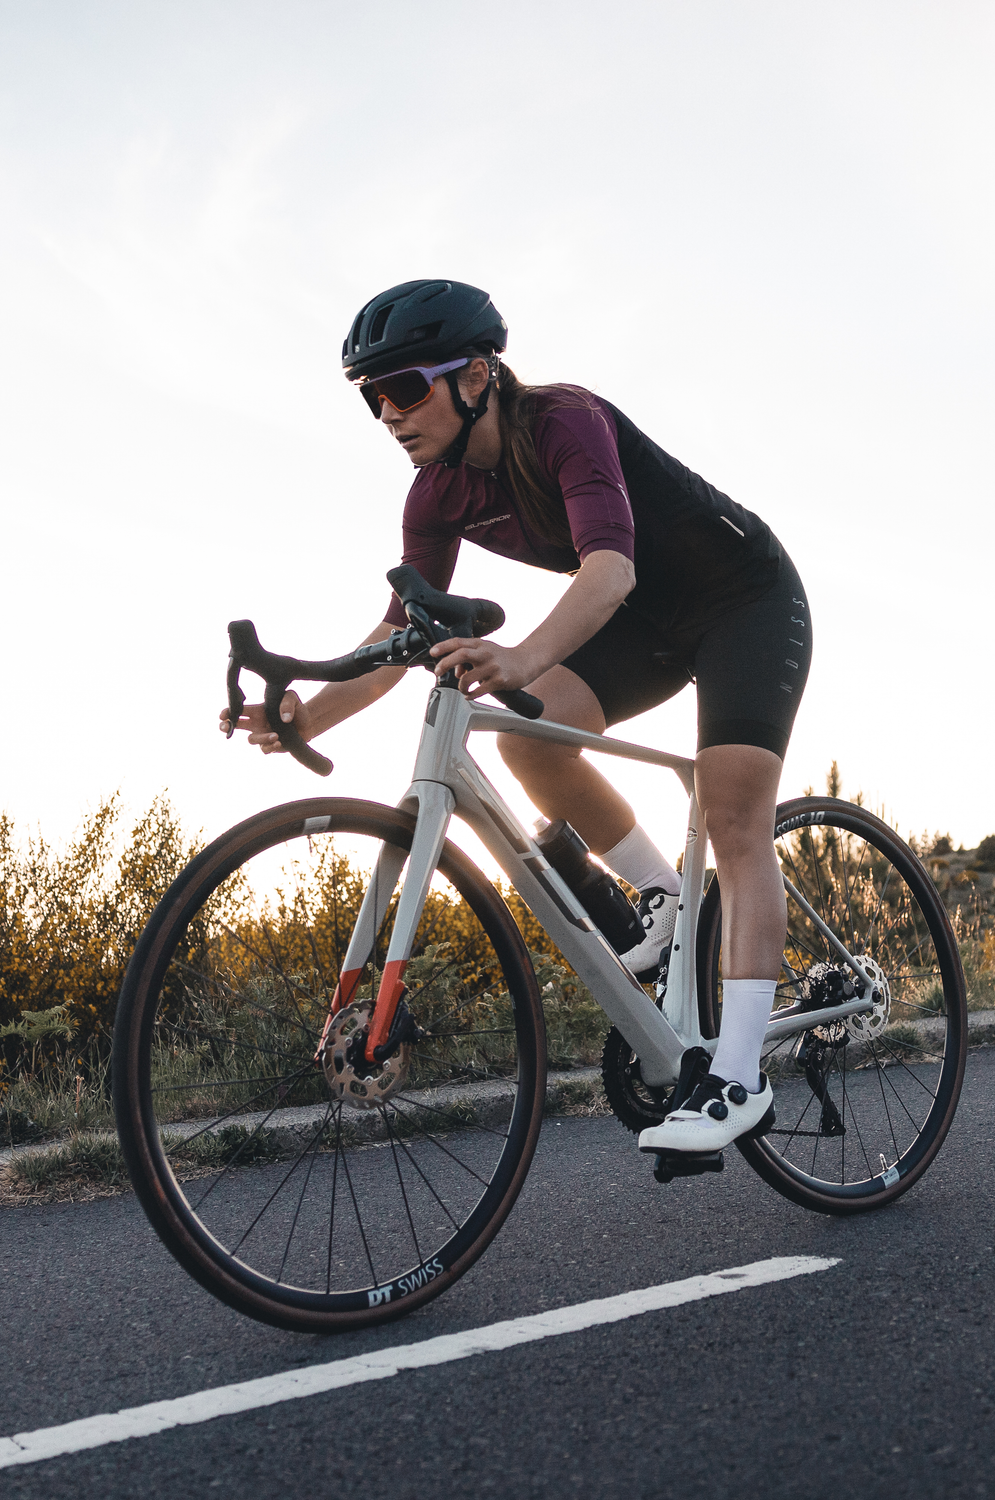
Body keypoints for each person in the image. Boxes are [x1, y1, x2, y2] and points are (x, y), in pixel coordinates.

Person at [227, 279, 812, 1162]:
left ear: (476, 375)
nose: (388, 413)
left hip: (742, 600)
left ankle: (739, 1073)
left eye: (405, 388)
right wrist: (310, 713)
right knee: (530, 739)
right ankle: (661, 893)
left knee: (734, 816)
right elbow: (397, 634)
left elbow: (607, 571)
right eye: (371, 398)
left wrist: (522, 658)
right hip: (645, 624)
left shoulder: (563, 420)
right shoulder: (435, 494)